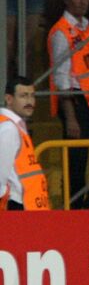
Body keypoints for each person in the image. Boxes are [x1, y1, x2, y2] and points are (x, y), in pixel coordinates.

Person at [47, 0, 89, 202]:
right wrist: (70, 117)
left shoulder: (86, 26)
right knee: (77, 161)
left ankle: (86, 201)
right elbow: (62, 79)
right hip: (77, 101)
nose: (82, 1)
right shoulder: (62, 32)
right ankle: (75, 205)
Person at [0, 76, 49, 210]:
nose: (29, 101)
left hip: (26, 203)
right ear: (9, 99)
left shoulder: (15, 126)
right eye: (23, 96)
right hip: (16, 204)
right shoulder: (8, 129)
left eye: (32, 96)